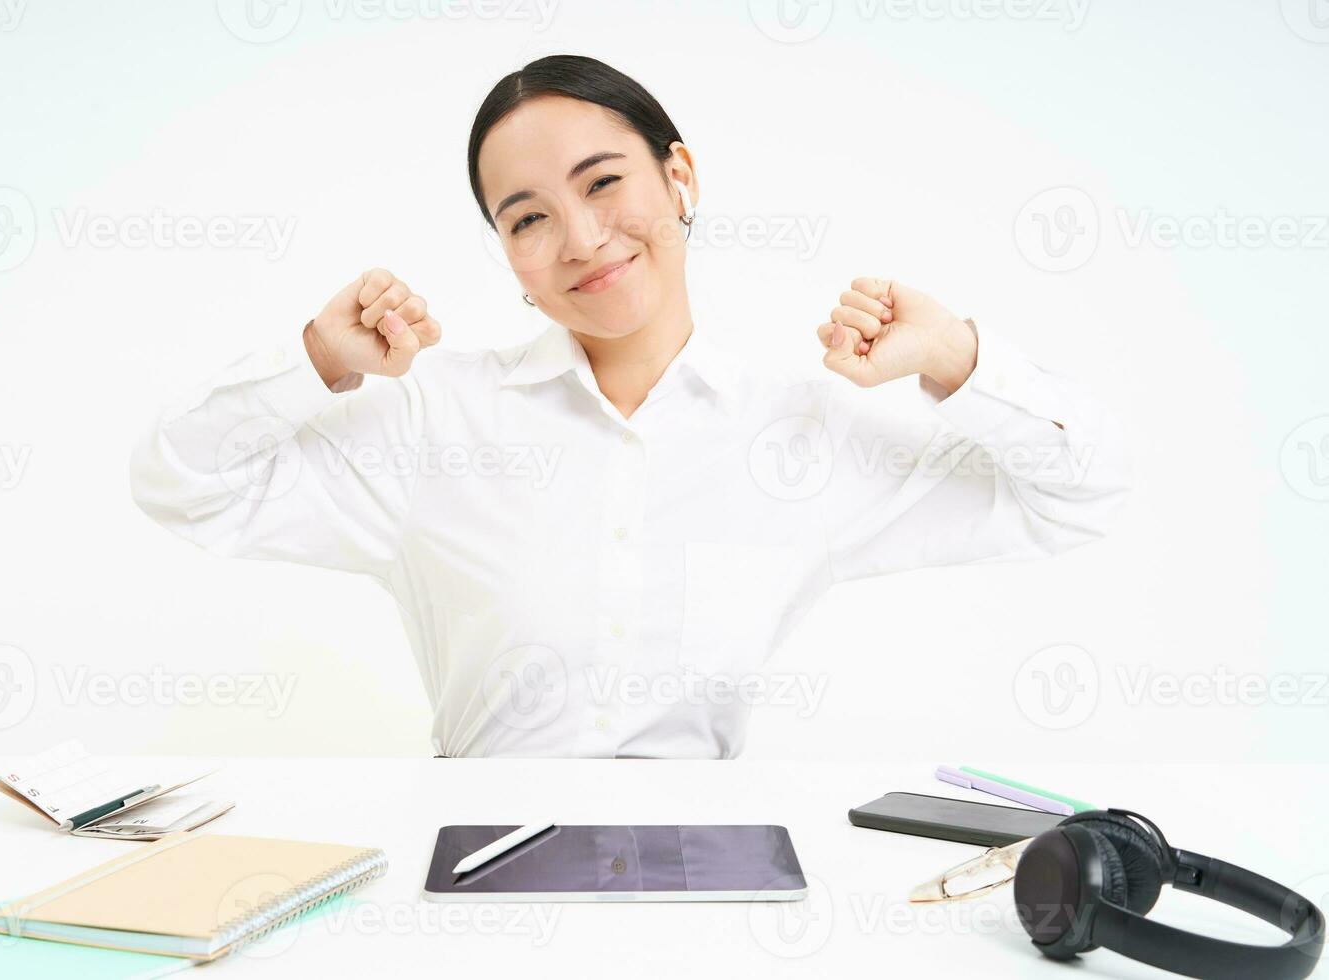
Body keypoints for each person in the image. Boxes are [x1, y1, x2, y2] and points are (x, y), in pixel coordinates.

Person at [130, 55, 1129, 759]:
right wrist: (315, 359)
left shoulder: (799, 433)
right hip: (477, 866)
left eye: (603, 182)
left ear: (679, 175)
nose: (581, 237)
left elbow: (1077, 496)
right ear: (510, 259)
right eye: (528, 218)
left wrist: (955, 354)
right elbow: (183, 485)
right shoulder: (432, 419)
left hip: (710, 865)